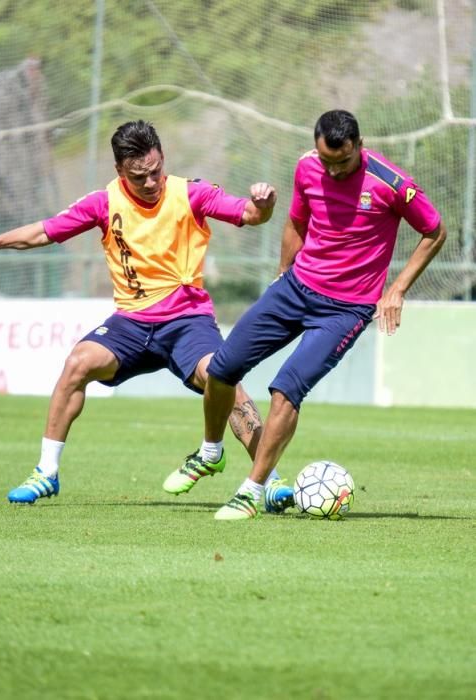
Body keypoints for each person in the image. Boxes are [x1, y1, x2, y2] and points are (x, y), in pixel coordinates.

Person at [0, 119, 278, 504]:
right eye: (139, 176)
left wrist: (264, 204)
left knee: (221, 376)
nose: (151, 182)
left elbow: (251, 215)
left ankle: (269, 481)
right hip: (130, 324)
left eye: (156, 171)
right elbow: (46, 231)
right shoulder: (104, 202)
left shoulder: (192, 194)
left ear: (163, 160)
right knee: (78, 363)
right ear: (119, 171)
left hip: (187, 321)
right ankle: (46, 473)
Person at [164, 109, 447, 520]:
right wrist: (282, 274)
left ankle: (251, 491)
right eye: (326, 160)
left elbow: (434, 231)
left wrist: (396, 289)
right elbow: (297, 222)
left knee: (286, 388)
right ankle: (211, 451)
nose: (333, 170)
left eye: (343, 162)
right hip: (295, 289)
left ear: (359, 148)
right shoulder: (307, 167)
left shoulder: (391, 183)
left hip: (345, 310)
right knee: (223, 368)